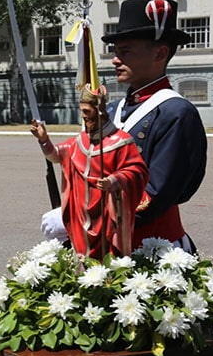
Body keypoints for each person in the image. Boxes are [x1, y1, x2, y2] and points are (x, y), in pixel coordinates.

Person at [42, 0, 207, 253]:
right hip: (100, 243)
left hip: (151, 249)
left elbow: (154, 195)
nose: (116, 60)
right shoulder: (112, 109)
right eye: (116, 51)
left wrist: (82, 216)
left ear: (160, 53)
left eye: (126, 51)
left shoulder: (176, 113)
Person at [31, 85, 148, 259]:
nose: (84, 116)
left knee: (108, 258)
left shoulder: (121, 141)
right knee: (82, 257)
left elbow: (137, 171)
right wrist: (44, 140)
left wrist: (113, 181)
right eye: (81, 111)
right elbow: (55, 156)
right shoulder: (80, 141)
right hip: (80, 214)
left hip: (107, 214)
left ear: (99, 111)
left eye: (87, 111)